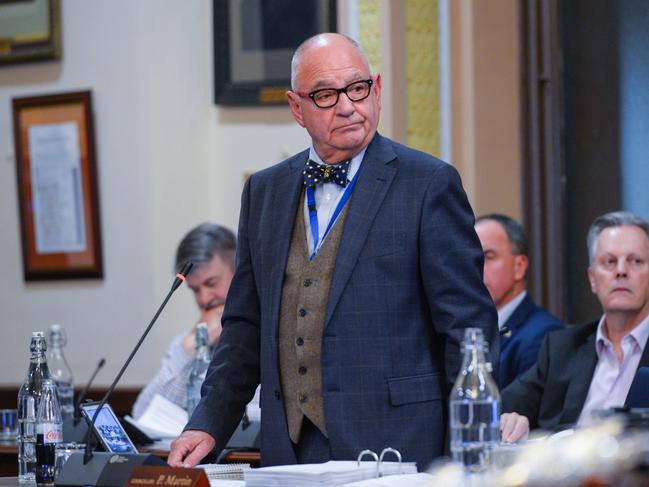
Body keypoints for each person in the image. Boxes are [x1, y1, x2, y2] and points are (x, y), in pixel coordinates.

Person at [169, 33, 497, 470]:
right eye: (325, 94)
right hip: (289, 449)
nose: (347, 106)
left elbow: (467, 327)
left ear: (376, 89)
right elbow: (245, 327)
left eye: (358, 89)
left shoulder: (428, 183)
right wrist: (206, 423)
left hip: (400, 449)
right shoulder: (264, 191)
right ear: (296, 107)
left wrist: (466, 455)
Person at [501, 211, 649, 443]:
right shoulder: (562, 348)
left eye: (636, 261)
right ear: (592, 278)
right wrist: (511, 418)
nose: (621, 271)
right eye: (609, 262)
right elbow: (500, 407)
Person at [132, 223, 237, 419]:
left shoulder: (268, 336)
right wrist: (190, 348)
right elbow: (142, 415)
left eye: (211, 283)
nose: (204, 299)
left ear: (239, 272)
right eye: (195, 289)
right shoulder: (186, 342)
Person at [475, 214, 562, 388]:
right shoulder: (464, 327)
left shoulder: (544, 335)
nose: (477, 268)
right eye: (474, 259)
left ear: (519, 267)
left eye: (488, 257)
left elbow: (521, 409)